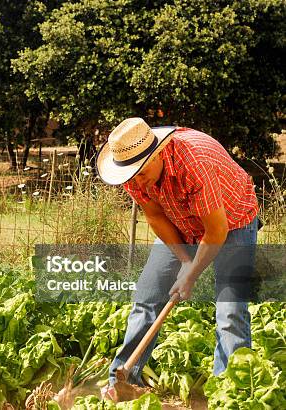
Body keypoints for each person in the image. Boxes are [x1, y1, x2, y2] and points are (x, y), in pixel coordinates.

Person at [95, 118, 259, 401]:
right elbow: (156, 216)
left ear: (157, 153)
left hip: (232, 222)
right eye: (130, 176)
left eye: (141, 173)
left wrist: (190, 275)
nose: (136, 181)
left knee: (230, 309)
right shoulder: (133, 172)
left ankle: (231, 393)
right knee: (147, 296)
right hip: (180, 224)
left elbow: (216, 231)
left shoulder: (193, 163)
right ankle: (121, 382)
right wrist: (184, 261)